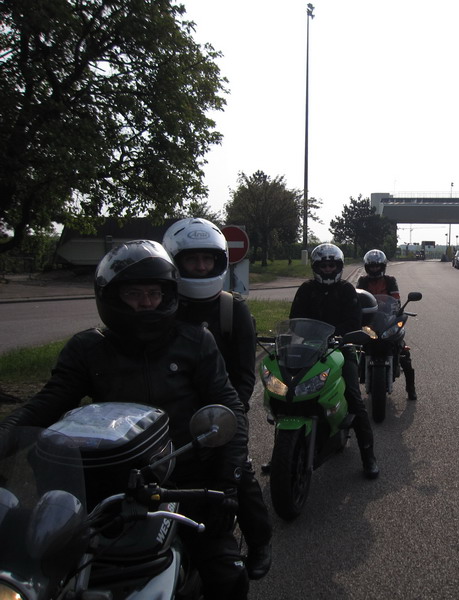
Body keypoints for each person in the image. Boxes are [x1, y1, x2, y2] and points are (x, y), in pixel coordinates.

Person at [0, 240, 250, 599]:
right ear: (111, 296)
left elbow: (228, 407)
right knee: (41, 568)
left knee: (227, 575)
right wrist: (6, 433)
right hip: (104, 484)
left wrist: (227, 482)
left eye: (154, 293)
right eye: (134, 293)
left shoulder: (196, 342)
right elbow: (45, 405)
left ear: (168, 295)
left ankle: (256, 546)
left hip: (185, 478)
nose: (146, 303)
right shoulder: (88, 348)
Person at [163, 217, 273, 580]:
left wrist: (230, 414)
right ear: (176, 262)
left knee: (239, 474)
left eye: (207, 259)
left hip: (222, 412)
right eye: (192, 259)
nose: (200, 266)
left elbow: (244, 371)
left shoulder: (232, 309)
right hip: (175, 412)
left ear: (219, 262)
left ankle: (260, 542)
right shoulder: (166, 306)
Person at [289, 243, 379, 479]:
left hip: (341, 347)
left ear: (338, 267)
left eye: (332, 265)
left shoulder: (347, 290)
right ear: (316, 267)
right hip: (309, 349)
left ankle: (368, 456)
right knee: (289, 394)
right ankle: (282, 452)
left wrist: (335, 336)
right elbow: (294, 319)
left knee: (354, 397)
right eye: (324, 266)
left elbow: (354, 321)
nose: (328, 269)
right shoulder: (306, 290)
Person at [356, 249, 417, 401]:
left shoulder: (390, 281)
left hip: (385, 318)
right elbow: (356, 299)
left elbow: (396, 300)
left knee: (403, 351)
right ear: (367, 267)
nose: (374, 269)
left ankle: (411, 388)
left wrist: (396, 310)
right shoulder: (362, 281)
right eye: (371, 266)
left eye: (377, 266)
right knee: (352, 351)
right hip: (368, 320)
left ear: (382, 266)